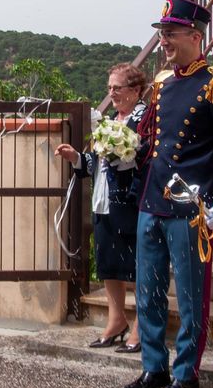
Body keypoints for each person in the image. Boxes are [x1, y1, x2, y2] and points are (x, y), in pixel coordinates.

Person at [122, 0, 213, 388]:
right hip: (151, 202)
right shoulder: (160, 83)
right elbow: (150, 142)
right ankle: (154, 366)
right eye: (161, 35)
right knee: (148, 290)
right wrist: (126, 150)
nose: (164, 43)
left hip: (191, 210)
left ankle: (186, 374)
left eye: (171, 34)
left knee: (191, 295)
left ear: (196, 37)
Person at [55, 63, 147, 353]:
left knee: (137, 267)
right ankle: (116, 320)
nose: (112, 93)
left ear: (135, 90)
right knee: (109, 266)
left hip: (130, 202)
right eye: (109, 88)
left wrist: (130, 156)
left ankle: (141, 326)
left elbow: (149, 158)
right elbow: (98, 164)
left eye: (117, 88)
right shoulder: (109, 121)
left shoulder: (144, 120)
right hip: (104, 202)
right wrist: (76, 158)